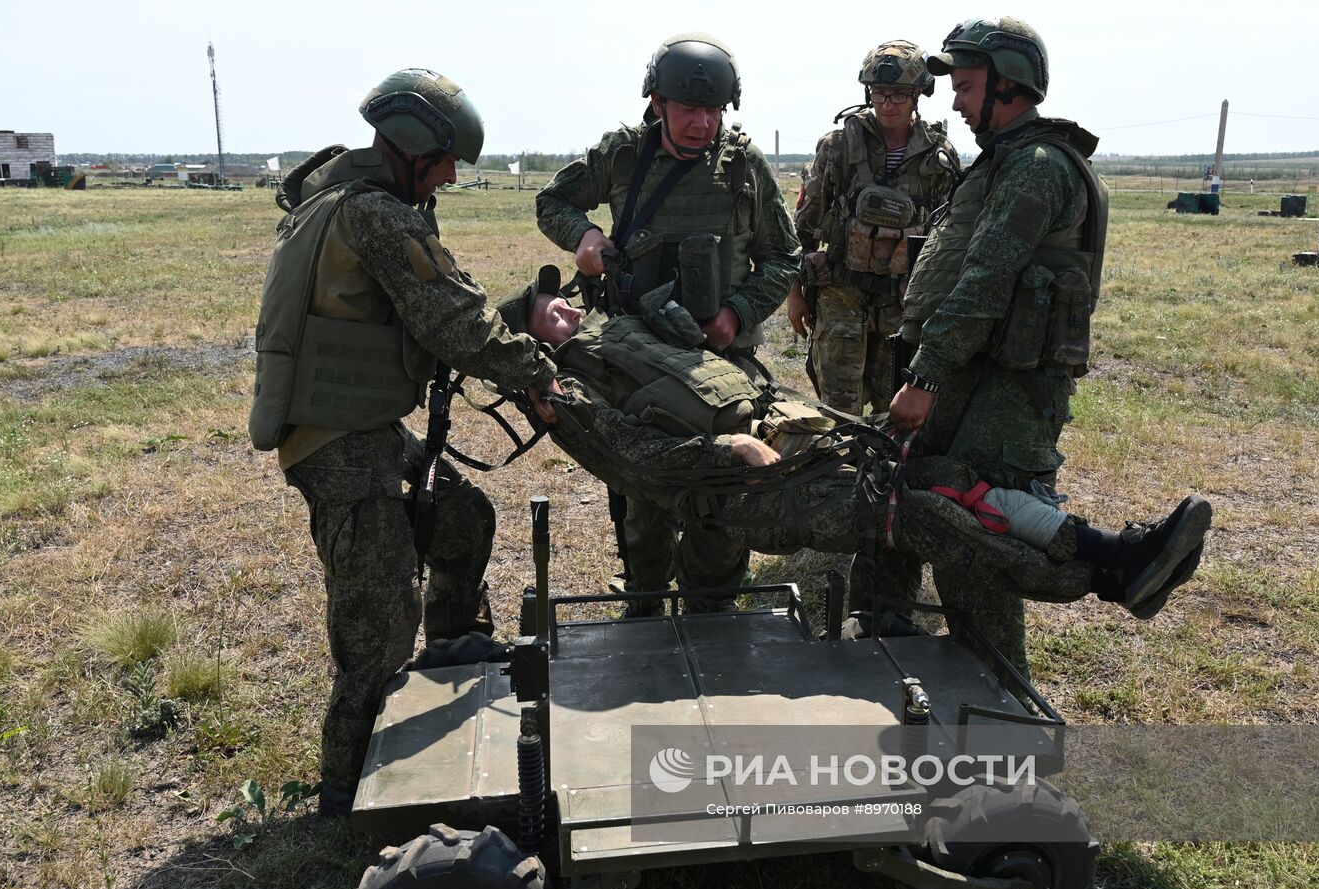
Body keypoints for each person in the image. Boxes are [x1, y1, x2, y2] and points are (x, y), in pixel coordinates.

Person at [498, 284, 1208, 630]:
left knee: (945, 479)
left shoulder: (623, 328)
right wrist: (725, 447)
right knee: (921, 516)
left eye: (558, 300)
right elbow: (637, 464)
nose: (560, 308)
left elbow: (720, 368)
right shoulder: (571, 392)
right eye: (543, 317)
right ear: (536, 344)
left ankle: (1116, 551)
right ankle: (1100, 581)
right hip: (746, 484)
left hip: (797, 434)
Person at [247, 69, 560, 817]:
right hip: (337, 442)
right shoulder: (377, 215)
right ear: (415, 149)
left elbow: (447, 302)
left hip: (367, 426)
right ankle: (346, 789)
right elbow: (453, 324)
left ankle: (454, 658)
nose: (452, 176)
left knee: (462, 519)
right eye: (448, 159)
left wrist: (522, 315)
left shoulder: (356, 200)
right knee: (380, 621)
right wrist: (537, 372)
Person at [871, 17, 1112, 677]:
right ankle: (894, 669)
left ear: (1010, 86)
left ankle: (1005, 736)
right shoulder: (1003, 161)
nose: (954, 100)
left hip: (1003, 395)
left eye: (968, 86)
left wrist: (924, 377)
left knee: (976, 558)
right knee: (898, 513)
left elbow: (985, 281)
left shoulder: (1036, 166)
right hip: (965, 377)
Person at [536, 33, 801, 616]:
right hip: (638, 355)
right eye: (689, 109)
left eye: (714, 111)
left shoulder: (743, 166)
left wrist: (738, 314)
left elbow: (785, 255)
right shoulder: (623, 155)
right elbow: (552, 202)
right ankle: (646, 598)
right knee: (642, 486)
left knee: (724, 482)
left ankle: (712, 603)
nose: (703, 123)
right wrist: (583, 237)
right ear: (656, 102)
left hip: (722, 360)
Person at [787, 41, 960, 415]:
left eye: (898, 94)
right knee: (838, 411)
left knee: (892, 411)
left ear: (917, 95)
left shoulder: (938, 156)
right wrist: (795, 293)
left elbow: (950, 240)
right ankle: (839, 475)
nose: (887, 104)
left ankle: (884, 475)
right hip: (840, 295)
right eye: (879, 93)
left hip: (903, 303)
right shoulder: (838, 147)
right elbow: (803, 227)